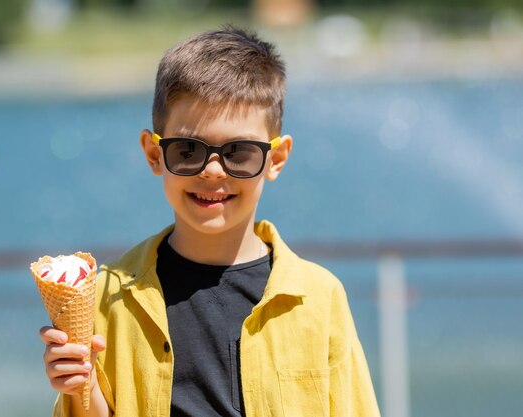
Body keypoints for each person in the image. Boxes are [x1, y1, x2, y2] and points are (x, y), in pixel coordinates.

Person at [39, 26, 380, 417]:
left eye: (239, 152)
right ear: (154, 153)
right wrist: (80, 387)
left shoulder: (319, 298)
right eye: (188, 150)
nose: (213, 172)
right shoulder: (109, 295)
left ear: (277, 159)